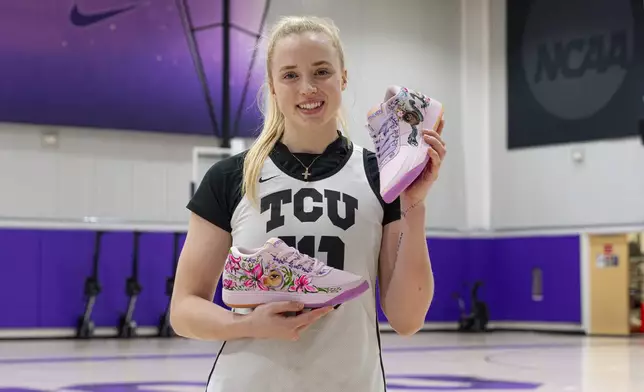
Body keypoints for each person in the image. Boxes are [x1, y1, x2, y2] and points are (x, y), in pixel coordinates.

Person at [170, 15, 446, 392]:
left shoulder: (380, 174)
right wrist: (250, 324)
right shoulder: (229, 176)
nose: (307, 88)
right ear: (271, 85)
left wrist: (416, 204)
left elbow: (407, 319)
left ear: (343, 78)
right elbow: (184, 310)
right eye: (290, 75)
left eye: (321, 72)